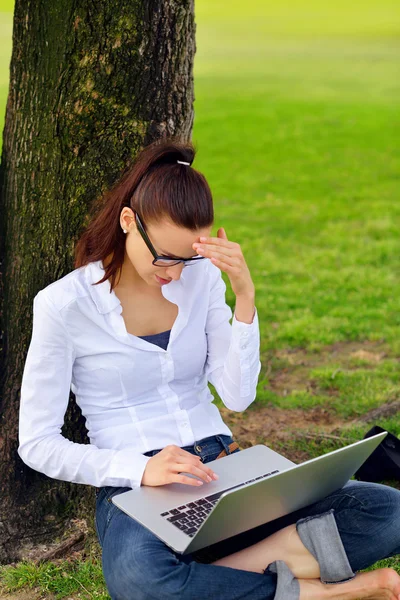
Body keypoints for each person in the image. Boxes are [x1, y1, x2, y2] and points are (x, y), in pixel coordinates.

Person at [18, 138, 400, 600]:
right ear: (127, 223)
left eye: (189, 258)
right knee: (140, 579)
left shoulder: (200, 278)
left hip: (223, 464)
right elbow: (37, 444)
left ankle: (227, 572)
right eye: (165, 257)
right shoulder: (64, 305)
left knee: (387, 510)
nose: (176, 273)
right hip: (137, 484)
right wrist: (139, 470)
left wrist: (245, 298)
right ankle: (324, 592)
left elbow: (238, 397)